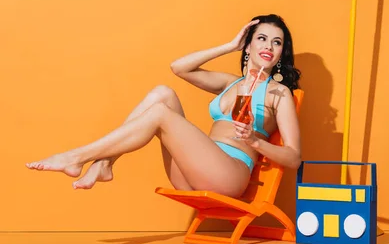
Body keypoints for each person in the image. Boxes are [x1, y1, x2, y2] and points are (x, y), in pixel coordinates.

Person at [26, 14, 302, 198]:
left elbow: (293, 157)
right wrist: (228, 46)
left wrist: (255, 140)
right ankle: (104, 164)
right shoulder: (229, 83)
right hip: (194, 172)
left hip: (228, 176)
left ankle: (77, 158)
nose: (268, 46)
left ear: (280, 54)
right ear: (249, 44)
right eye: (261, 38)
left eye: (276, 42)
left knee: (160, 114)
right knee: (162, 94)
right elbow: (179, 67)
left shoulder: (279, 94)